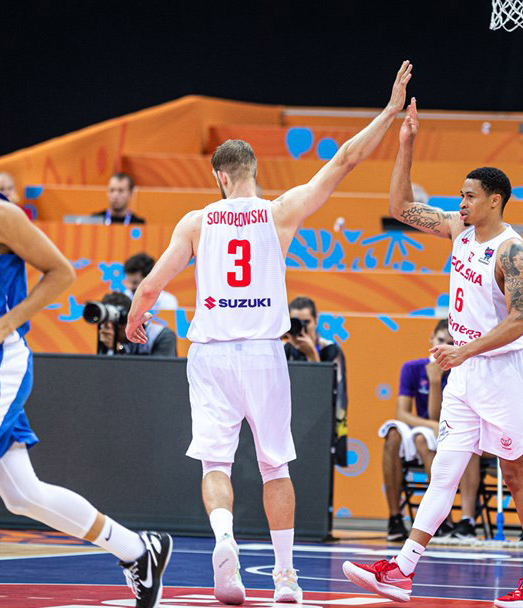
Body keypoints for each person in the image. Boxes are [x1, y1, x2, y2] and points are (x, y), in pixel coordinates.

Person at [124, 62, 413, 605]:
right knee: (274, 465)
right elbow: (345, 159)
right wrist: (389, 112)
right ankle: (284, 578)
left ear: (219, 177)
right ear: (253, 172)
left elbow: (150, 286)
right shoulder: (280, 212)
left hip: (209, 353)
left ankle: (226, 539)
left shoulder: (196, 222)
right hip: (262, 352)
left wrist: (137, 318)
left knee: (215, 463)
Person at [0, 114, 170, 608]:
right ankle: (138, 550)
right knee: (21, 494)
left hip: (0, 362)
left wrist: (7, 323)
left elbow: (61, 272)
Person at [342, 99, 523, 607]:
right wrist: (406, 142)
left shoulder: (513, 251)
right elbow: (400, 208)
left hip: (503, 369)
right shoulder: (458, 230)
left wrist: (464, 351)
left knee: (515, 471)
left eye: (469, 196)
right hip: (466, 369)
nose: (460, 203)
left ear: (496, 201)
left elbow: (521, 320)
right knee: (445, 466)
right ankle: (402, 569)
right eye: (459, 195)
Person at [379, 319, 452, 541]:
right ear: (431, 339)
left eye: (451, 343)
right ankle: (394, 519)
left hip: (448, 429)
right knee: (393, 434)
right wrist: (431, 426)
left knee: (425, 439)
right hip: (424, 426)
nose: (443, 347)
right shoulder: (411, 368)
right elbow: (402, 414)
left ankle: (437, 520)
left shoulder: (460, 370)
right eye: (440, 341)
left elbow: (437, 417)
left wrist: (435, 382)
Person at [284, 295, 348, 467]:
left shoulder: (331, 350)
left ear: (316, 321)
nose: (302, 329)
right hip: (289, 424)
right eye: (296, 323)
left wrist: (312, 355)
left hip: (321, 427)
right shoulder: (283, 351)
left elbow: (333, 395)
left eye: (306, 322)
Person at [96, 292, 177, 356]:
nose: (108, 326)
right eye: (106, 321)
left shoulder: (161, 335)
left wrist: (118, 349)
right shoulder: (106, 337)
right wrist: (110, 349)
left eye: (114, 321)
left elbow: (160, 372)